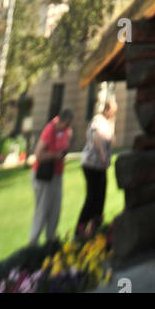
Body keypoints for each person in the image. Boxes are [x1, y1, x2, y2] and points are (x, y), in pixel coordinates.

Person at [29, 108, 73, 245]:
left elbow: (65, 145)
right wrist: (55, 155)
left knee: (55, 208)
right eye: (67, 123)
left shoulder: (66, 131)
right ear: (62, 120)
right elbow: (38, 154)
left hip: (57, 175)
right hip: (44, 175)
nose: (68, 126)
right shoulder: (50, 129)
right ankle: (33, 242)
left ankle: (50, 239)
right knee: (42, 209)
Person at [76, 98, 116, 238]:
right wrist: (103, 155)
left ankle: (95, 227)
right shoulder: (98, 120)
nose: (113, 114)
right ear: (107, 110)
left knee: (100, 196)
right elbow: (97, 137)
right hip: (92, 164)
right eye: (112, 111)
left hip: (101, 166)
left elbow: (111, 139)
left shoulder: (108, 123)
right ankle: (80, 229)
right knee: (93, 196)